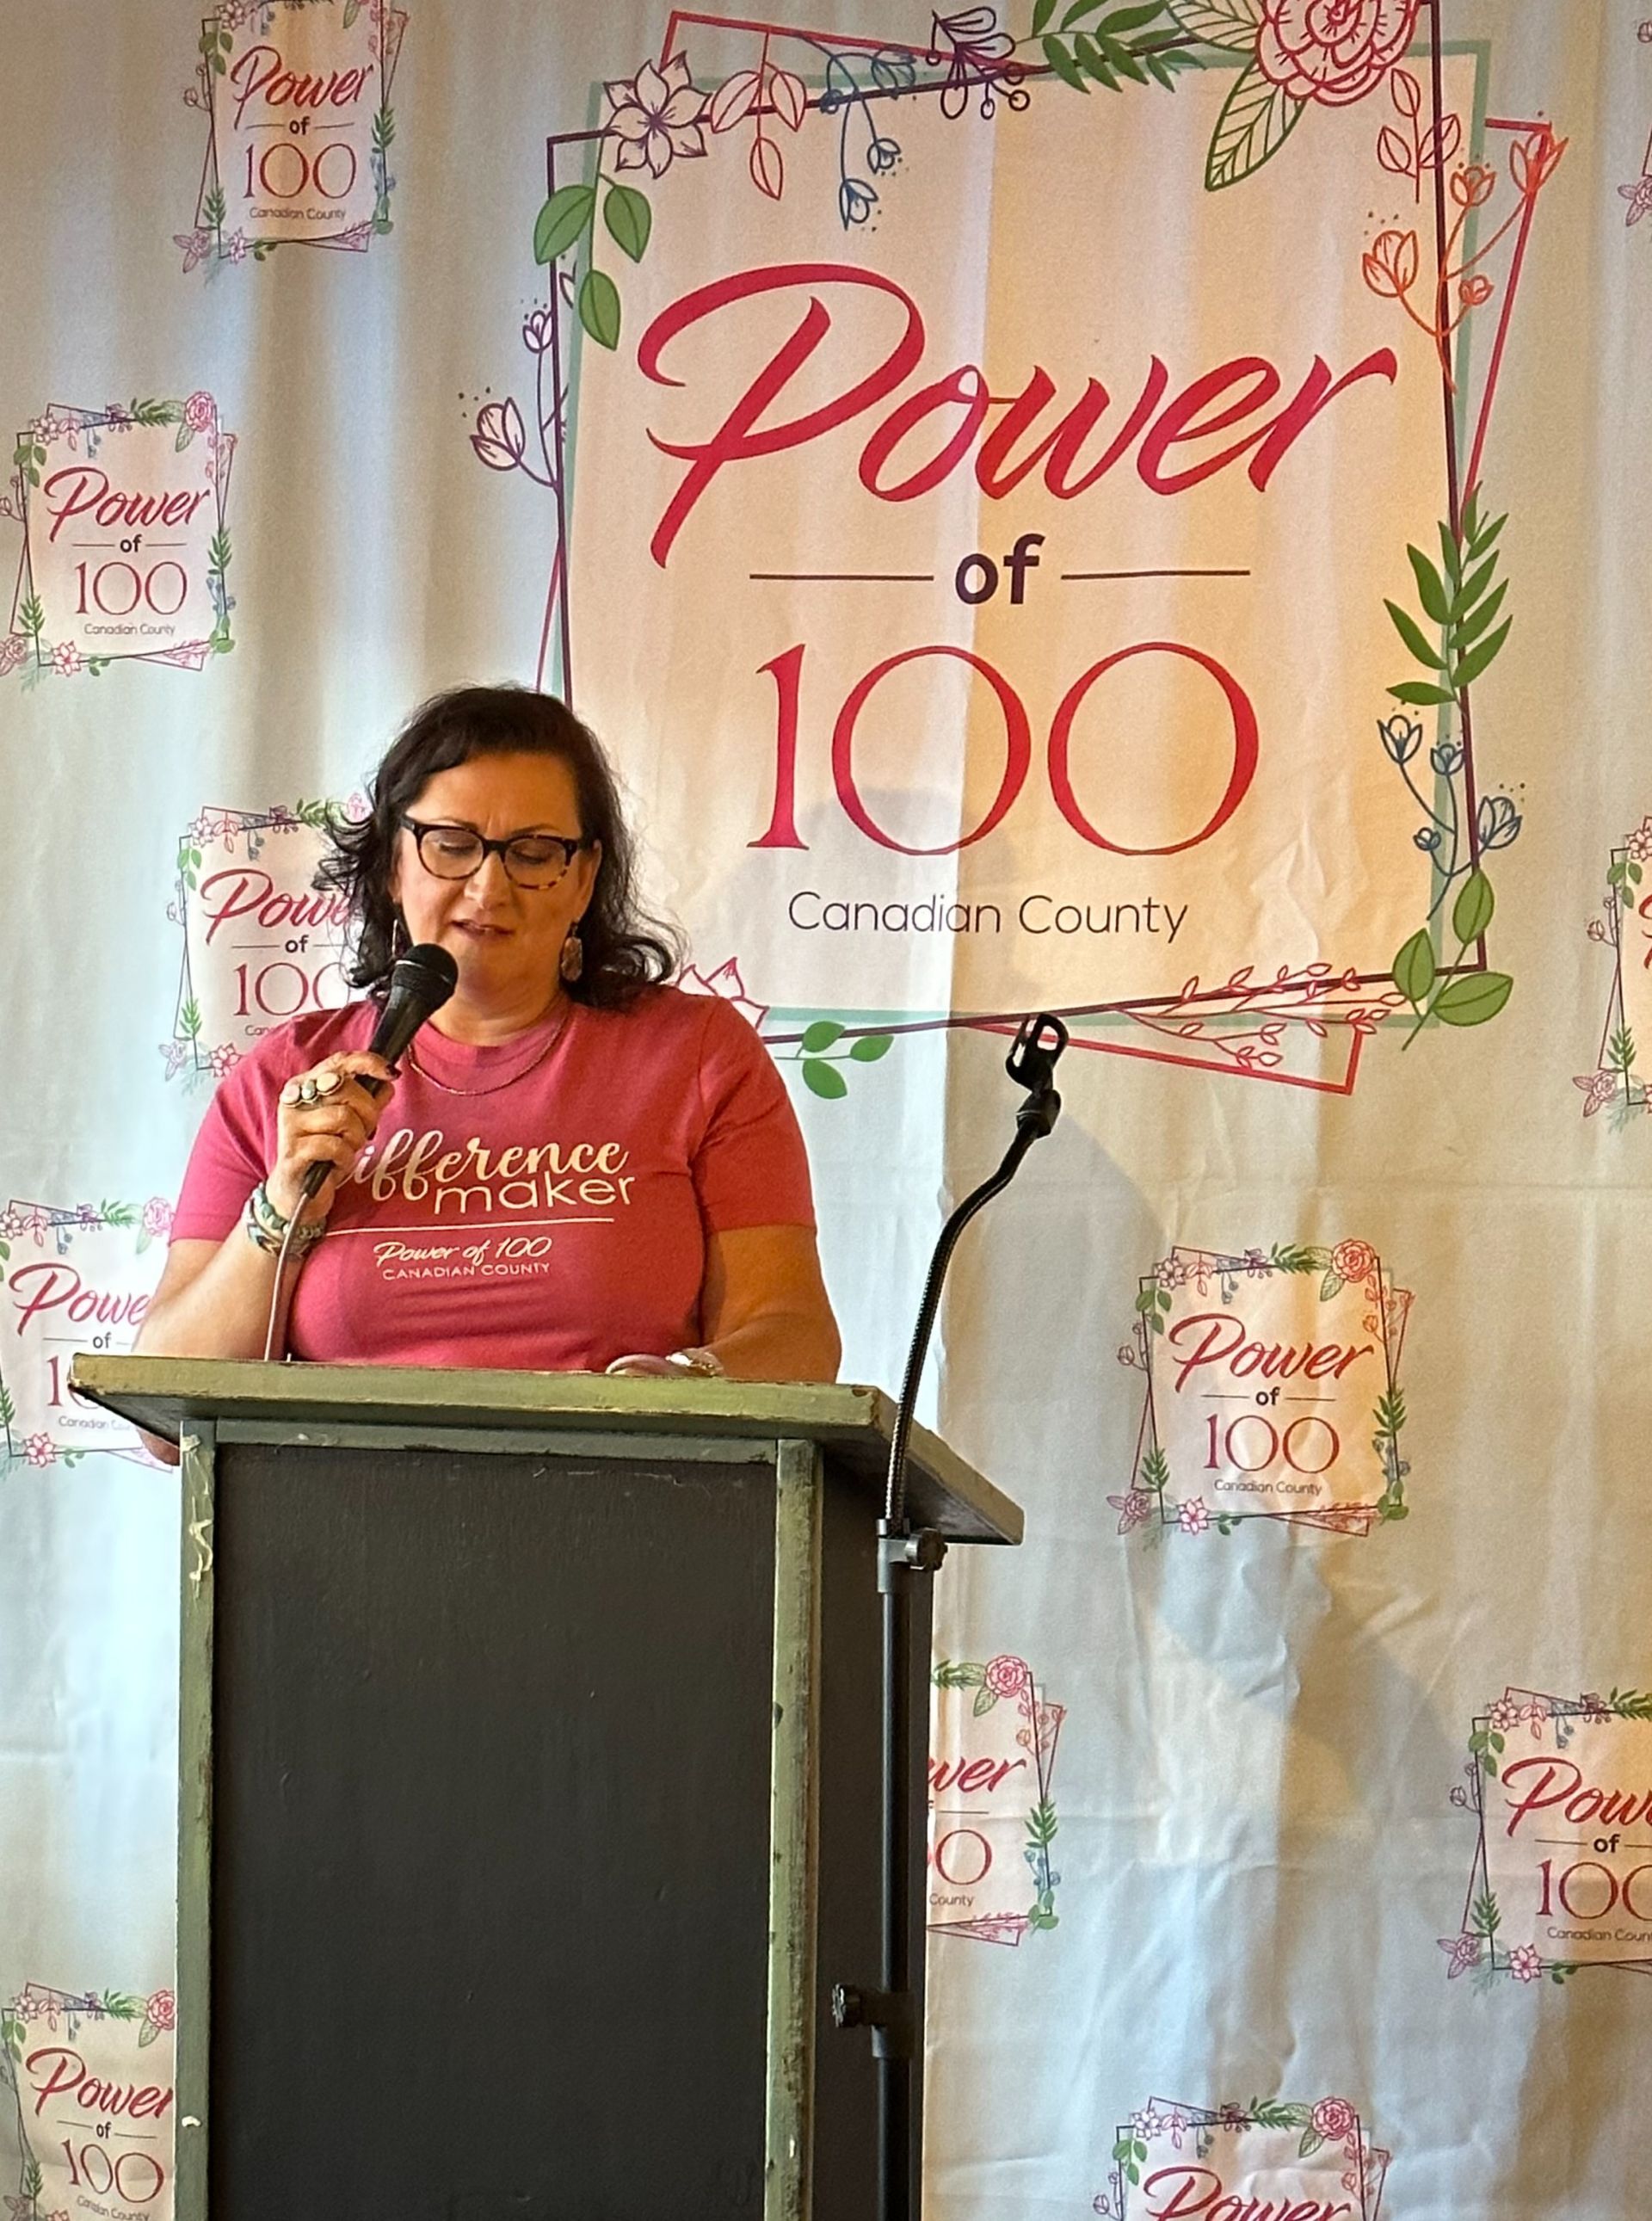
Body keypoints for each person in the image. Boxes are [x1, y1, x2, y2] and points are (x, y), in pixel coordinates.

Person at [137, 684, 841, 1386]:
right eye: (452, 846)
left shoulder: (696, 1054)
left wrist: (672, 1389)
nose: (488, 888)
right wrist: (286, 1203)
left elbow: (794, 1335)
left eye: (533, 854)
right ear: (392, 864)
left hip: (622, 1455)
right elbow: (167, 1400)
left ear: (584, 878)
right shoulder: (290, 1075)